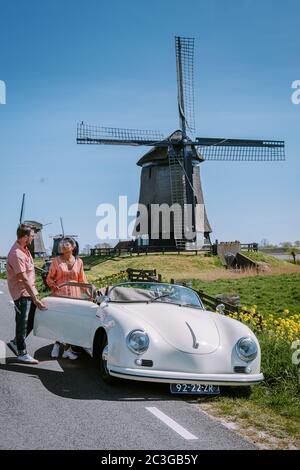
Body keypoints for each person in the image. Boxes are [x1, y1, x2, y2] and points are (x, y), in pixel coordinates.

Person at [6, 224, 47, 364]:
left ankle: (15, 343)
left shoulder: (24, 249)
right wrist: (35, 298)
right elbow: (24, 279)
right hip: (22, 293)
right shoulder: (16, 254)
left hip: (29, 291)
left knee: (31, 320)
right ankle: (21, 352)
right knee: (22, 323)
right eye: (31, 236)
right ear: (25, 237)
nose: (33, 238)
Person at [46, 237, 87, 360]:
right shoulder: (56, 261)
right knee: (60, 321)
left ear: (73, 247)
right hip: (60, 296)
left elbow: (82, 280)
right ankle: (57, 345)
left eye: (66, 244)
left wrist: (90, 293)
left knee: (71, 323)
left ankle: (67, 350)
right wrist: (54, 286)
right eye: (62, 244)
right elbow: (49, 278)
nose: (63, 245)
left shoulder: (79, 262)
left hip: (75, 297)